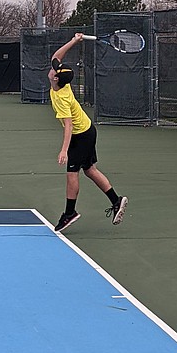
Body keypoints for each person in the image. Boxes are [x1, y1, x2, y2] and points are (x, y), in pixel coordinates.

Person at [48, 33, 128, 232]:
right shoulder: (59, 83)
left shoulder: (62, 99)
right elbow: (56, 56)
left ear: (56, 78)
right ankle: (116, 200)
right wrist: (74, 41)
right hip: (87, 130)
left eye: (54, 70)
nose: (51, 70)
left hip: (81, 135)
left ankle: (70, 213)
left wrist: (64, 150)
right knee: (90, 170)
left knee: (72, 173)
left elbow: (68, 125)